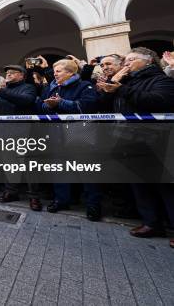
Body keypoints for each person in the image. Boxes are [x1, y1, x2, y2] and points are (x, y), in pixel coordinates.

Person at [97, 48, 174, 247]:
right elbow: (105, 103)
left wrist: (121, 88)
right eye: (126, 60)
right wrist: (114, 82)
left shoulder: (161, 80)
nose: (127, 63)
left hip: (155, 140)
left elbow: (158, 101)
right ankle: (151, 222)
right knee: (139, 184)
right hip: (128, 140)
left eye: (131, 60)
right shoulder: (126, 81)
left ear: (148, 62)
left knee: (165, 186)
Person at [37, 59, 101, 220]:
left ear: (71, 72)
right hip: (57, 132)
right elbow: (40, 106)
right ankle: (61, 200)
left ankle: (93, 205)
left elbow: (86, 106)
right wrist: (49, 105)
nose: (54, 74)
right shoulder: (52, 87)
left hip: (79, 131)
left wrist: (61, 103)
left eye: (58, 71)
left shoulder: (84, 86)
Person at [0, 65, 39, 207]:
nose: (8, 74)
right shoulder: (4, 90)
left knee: (28, 166)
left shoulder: (28, 88)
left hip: (23, 132)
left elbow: (25, 101)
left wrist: (0, 91)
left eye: (12, 72)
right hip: (3, 131)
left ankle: (34, 196)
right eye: (7, 73)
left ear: (22, 75)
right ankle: (11, 191)